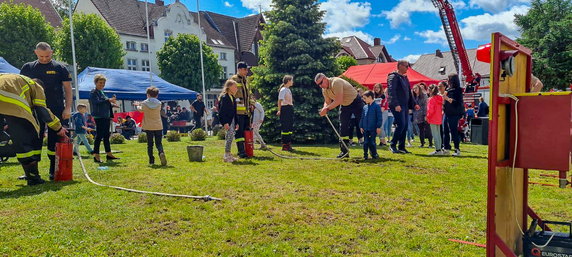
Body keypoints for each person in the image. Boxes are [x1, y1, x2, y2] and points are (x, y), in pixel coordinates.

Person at [0, 74, 67, 185]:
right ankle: (33, 178)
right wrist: (58, 128)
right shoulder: (36, 86)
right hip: (11, 102)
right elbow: (42, 110)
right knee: (24, 139)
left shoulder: (16, 80)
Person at [20, 42, 73, 180]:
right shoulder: (28, 68)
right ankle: (32, 172)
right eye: (41, 56)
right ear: (35, 53)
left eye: (47, 56)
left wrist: (68, 108)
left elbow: (68, 89)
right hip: (34, 110)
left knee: (55, 139)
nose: (44, 59)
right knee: (34, 139)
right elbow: (21, 89)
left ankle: (53, 170)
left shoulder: (60, 68)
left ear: (52, 52)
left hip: (55, 109)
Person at [315, 73, 363, 158]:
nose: (320, 86)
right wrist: (324, 108)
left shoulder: (336, 82)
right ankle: (344, 152)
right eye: (318, 84)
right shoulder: (324, 89)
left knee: (363, 124)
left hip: (356, 102)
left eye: (321, 83)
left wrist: (327, 109)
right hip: (345, 105)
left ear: (325, 78)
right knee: (343, 126)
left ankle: (371, 149)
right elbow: (327, 101)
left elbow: (338, 100)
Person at [387, 60, 419, 154]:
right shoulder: (393, 76)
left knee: (404, 125)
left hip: (404, 105)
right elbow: (391, 91)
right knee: (401, 124)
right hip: (397, 105)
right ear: (400, 66)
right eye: (406, 66)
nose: (407, 68)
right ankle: (393, 144)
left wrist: (414, 104)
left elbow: (409, 93)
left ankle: (401, 146)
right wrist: (396, 104)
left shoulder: (405, 78)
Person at [89, 74, 119, 163]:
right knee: (99, 136)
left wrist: (113, 104)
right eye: (100, 83)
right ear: (96, 82)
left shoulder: (102, 92)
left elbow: (104, 102)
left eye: (103, 83)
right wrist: (108, 100)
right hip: (99, 116)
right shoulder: (93, 92)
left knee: (106, 135)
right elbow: (96, 102)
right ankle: (96, 155)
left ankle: (108, 153)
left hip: (106, 116)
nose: (102, 84)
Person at [136, 86, 167, 166]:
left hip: (148, 126)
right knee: (159, 143)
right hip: (158, 125)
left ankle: (151, 160)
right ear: (157, 95)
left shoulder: (144, 103)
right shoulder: (159, 103)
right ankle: (161, 152)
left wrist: (137, 105)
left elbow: (140, 110)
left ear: (148, 94)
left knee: (150, 144)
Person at [230, 62, 254, 158]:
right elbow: (231, 94)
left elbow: (250, 94)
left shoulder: (246, 80)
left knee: (246, 131)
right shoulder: (233, 80)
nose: (246, 71)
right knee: (239, 133)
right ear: (239, 69)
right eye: (245, 69)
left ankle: (247, 150)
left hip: (246, 111)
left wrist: (252, 104)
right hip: (238, 112)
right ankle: (241, 151)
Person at [443, 73, 465, 156]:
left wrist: (447, 98)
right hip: (447, 113)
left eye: (449, 79)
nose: (447, 81)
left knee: (453, 131)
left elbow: (457, 102)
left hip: (454, 113)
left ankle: (457, 149)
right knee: (445, 131)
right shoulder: (448, 90)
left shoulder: (458, 90)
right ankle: (446, 148)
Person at [218, 80, 239, 162]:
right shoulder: (225, 98)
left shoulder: (233, 98)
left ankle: (229, 153)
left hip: (233, 120)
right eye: (235, 87)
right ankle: (226, 155)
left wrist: (236, 122)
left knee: (231, 137)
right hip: (227, 121)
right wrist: (224, 123)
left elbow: (235, 112)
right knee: (229, 137)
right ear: (229, 87)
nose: (236, 89)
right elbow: (221, 112)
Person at [359, 90, 382, 160]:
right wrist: (361, 126)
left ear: (370, 97)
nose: (364, 99)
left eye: (365, 98)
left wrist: (378, 127)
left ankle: (374, 154)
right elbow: (362, 117)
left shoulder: (376, 107)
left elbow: (379, 118)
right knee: (365, 142)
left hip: (373, 128)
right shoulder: (365, 107)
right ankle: (365, 155)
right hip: (365, 128)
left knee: (372, 142)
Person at [277, 75, 295, 151]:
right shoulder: (283, 90)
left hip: (289, 108)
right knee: (285, 127)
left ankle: (288, 143)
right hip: (285, 109)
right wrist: (279, 110)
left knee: (289, 127)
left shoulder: (288, 90)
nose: (292, 82)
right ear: (288, 81)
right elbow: (280, 100)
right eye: (291, 80)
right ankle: (285, 145)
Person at [412, 83, 433, 148]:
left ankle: (430, 143)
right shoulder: (413, 97)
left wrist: (425, 115)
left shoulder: (424, 96)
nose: (415, 90)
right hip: (417, 115)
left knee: (427, 129)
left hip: (424, 114)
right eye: (414, 88)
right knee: (421, 130)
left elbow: (426, 106)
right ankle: (422, 143)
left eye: (416, 88)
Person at [426, 84, 444, 155]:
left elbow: (430, 110)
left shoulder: (431, 99)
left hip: (433, 118)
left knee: (435, 134)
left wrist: (427, 117)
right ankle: (439, 148)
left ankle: (438, 149)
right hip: (438, 117)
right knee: (438, 134)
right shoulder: (440, 98)